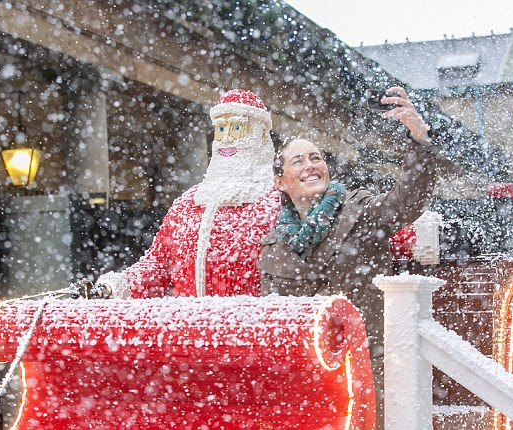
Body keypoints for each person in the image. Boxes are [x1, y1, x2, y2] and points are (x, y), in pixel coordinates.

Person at [258, 86, 438, 428]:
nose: (312, 166)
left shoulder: (361, 210)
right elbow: (274, 324)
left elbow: (407, 201)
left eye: (317, 158)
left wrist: (419, 139)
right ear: (280, 182)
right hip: (308, 379)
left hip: (369, 370)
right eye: (299, 161)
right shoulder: (273, 247)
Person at [81, 89, 281, 299]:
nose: (227, 139)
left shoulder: (277, 203)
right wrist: (115, 287)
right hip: (188, 328)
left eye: (238, 127)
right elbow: (158, 267)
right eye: (221, 129)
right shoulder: (187, 205)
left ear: (259, 134)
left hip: (249, 327)